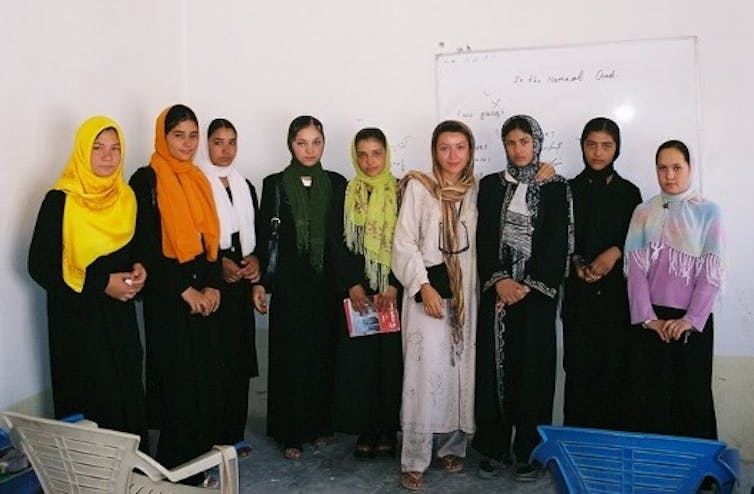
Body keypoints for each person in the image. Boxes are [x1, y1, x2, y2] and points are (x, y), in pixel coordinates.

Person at [28, 116, 147, 447]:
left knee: (126, 402)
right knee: (91, 407)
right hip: (78, 326)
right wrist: (101, 283)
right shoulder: (60, 201)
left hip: (119, 321)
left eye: (115, 148)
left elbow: (133, 251)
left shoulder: (125, 198)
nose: (108, 157)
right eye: (97, 149)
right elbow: (41, 266)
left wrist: (140, 270)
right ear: (82, 151)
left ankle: (130, 478)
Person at [473, 114, 572, 482]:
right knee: (496, 370)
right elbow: (484, 238)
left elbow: (557, 243)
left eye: (525, 142)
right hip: (498, 295)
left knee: (534, 371)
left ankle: (530, 451)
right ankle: (495, 447)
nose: (518, 150)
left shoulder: (555, 187)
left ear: (537, 144)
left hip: (536, 296)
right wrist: (500, 281)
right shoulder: (490, 186)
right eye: (511, 143)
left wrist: (528, 284)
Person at [129, 105, 222, 483]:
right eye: (178, 135)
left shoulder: (198, 178)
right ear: (162, 137)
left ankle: (197, 461)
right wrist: (185, 291)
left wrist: (212, 284)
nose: (187, 143)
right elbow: (147, 246)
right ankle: (176, 469)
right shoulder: (146, 179)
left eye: (192, 135)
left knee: (202, 379)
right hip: (169, 297)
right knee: (177, 382)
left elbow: (211, 238)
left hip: (202, 290)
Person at [252, 115, 347, 460]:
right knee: (290, 357)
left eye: (316, 142)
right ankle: (288, 432)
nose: (309, 149)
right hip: (291, 286)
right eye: (301, 142)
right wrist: (261, 284)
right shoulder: (275, 184)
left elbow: (342, 238)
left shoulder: (337, 183)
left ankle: (319, 425)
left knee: (322, 355)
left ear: (324, 144)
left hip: (325, 287)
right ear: (290, 144)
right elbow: (267, 239)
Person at [392, 120, 478, 491]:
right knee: (423, 375)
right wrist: (423, 287)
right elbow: (403, 242)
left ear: (470, 151)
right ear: (433, 151)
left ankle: (452, 445)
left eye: (460, 147)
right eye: (445, 148)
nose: (453, 156)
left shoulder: (477, 190)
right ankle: (414, 457)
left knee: (459, 368)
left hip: (464, 297)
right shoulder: (418, 187)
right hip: (426, 295)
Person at [624, 140, 724, 442]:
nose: (669, 175)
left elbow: (711, 271)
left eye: (676, 167)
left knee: (692, 396)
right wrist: (648, 319)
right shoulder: (643, 211)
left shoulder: (708, 212)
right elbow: (635, 270)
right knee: (652, 396)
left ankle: (699, 476)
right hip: (652, 321)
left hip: (692, 321)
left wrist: (690, 320)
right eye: (662, 168)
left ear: (689, 168)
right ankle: (656, 471)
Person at [561, 117, 642, 429]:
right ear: (582, 146)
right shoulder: (568, 190)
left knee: (615, 367)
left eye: (606, 146)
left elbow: (638, 239)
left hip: (616, 299)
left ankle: (612, 444)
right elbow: (561, 239)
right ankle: (577, 446)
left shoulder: (629, 193)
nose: (598, 152)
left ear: (617, 149)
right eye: (591, 145)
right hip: (579, 297)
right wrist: (577, 261)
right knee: (579, 368)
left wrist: (615, 253)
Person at [332, 127, 403, 459]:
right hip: (358, 295)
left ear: (386, 154)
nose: (370, 161)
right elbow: (338, 244)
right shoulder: (347, 193)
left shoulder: (401, 191)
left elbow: (409, 241)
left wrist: (393, 283)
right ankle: (365, 429)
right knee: (359, 367)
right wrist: (352, 284)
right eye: (362, 154)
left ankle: (388, 430)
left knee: (389, 367)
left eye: (376, 153)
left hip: (390, 292)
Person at [200, 118, 260, 453]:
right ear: (207, 145)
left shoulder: (243, 185)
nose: (226, 150)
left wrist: (255, 264)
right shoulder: (198, 183)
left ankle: (234, 434)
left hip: (238, 283)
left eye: (232, 142)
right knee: (214, 361)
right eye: (219, 142)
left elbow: (254, 236)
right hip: (212, 282)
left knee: (237, 361)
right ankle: (213, 437)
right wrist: (217, 264)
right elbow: (194, 238)